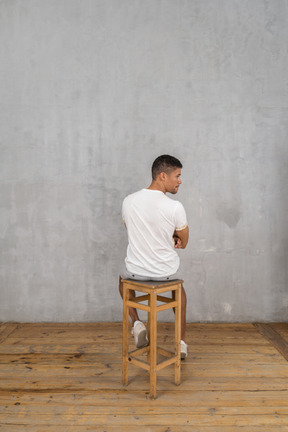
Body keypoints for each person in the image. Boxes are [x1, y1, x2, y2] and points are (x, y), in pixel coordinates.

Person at [119, 154, 189, 358]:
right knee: (180, 291)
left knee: (122, 281)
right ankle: (182, 342)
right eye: (177, 176)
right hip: (166, 273)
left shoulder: (128, 201)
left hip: (136, 272)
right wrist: (174, 236)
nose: (180, 181)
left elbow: (131, 229)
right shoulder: (175, 207)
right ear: (162, 176)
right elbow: (183, 242)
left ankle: (137, 323)